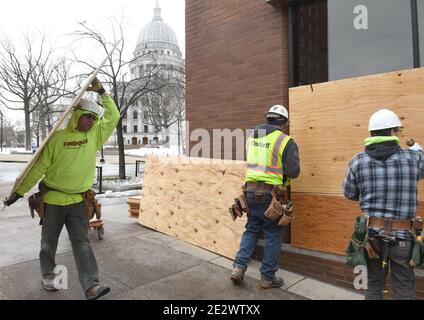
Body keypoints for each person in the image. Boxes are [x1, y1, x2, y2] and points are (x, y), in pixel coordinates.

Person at [4, 78, 120, 300]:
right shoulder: (57, 139)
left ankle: (91, 285)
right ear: (77, 115)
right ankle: (48, 275)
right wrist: (18, 192)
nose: (91, 121)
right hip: (53, 200)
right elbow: (37, 169)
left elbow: (113, 115)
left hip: (78, 201)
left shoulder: (94, 135)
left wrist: (102, 92)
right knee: (49, 243)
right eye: (87, 116)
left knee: (82, 242)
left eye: (94, 118)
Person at [343, 109, 424, 300]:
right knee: (404, 288)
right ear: (393, 132)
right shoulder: (413, 159)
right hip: (403, 236)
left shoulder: (358, 161)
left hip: (371, 236)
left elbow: (349, 193)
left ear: (371, 133)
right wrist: (419, 150)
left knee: (372, 286)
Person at [231, 104, 300, 289]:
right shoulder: (285, 141)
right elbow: (294, 172)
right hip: (272, 196)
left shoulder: (251, 137)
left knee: (251, 230)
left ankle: (238, 267)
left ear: (268, 118)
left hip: (250, 192)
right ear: (283, 122)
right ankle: (268, 277)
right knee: (272, 235)